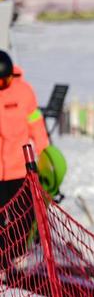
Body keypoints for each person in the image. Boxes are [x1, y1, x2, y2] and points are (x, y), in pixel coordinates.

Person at [0, 50, 50, 269]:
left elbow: (36, 124)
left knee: (23, 215)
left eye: (5, 81)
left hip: (19, 168)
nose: (2, 85)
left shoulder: (24, 92)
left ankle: (17, 254)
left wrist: (44, 152)